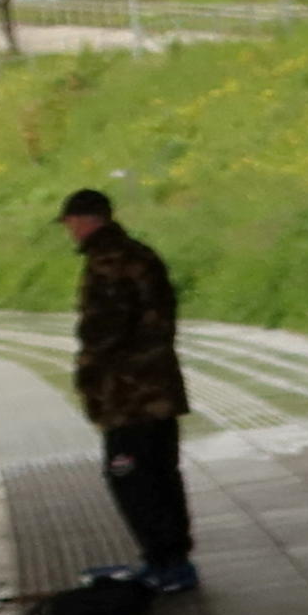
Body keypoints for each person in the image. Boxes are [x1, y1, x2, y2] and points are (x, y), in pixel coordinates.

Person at [57, 186, 193, 592]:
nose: (70, 232)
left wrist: (87, 379)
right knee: (161, 475)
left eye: (70, 223)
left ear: (84, 221)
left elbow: (103, 333)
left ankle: (163, 564)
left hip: (127, 396)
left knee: (132, 478)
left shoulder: (106, 263)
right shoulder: (141, 254)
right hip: (160, 388)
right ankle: (175, 560)